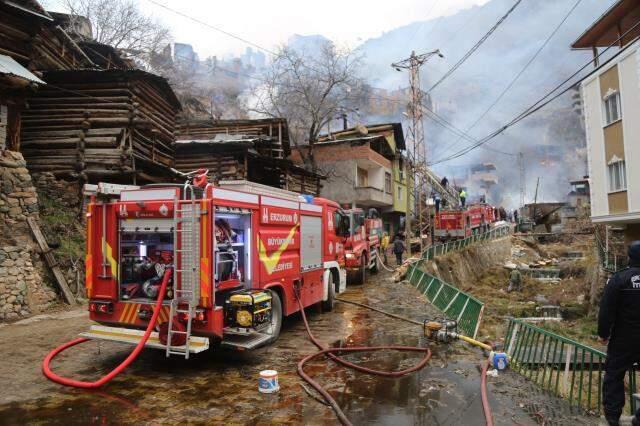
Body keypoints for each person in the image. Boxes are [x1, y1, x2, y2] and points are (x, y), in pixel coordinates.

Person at [598, 241, 640, 426]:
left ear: (629, 257)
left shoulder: (619, 279)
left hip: (623, 338)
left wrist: (603, 333)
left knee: (614, 375)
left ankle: (613, 417)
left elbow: (607, 310)